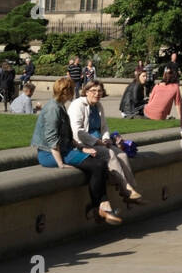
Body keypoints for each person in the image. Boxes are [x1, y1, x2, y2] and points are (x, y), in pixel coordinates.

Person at [31, 76, 121, 225]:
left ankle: (100, 207)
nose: (75, 91)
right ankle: (100, 207)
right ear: (67, 91)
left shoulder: (59, 105)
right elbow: (52, 139)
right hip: (50, 155)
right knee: (98, 165)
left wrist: (82, 148)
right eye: (72, 89)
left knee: (98, 163)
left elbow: (67, 136)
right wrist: (61, 163)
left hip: (65, 150)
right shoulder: (53, 108)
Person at [69, 82, 143, 205]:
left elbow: (104, 127)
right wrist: (97, 142)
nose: (97, 93)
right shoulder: (77, 105)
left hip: (100, 143)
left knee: (123, 155)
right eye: (93, 90)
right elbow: (77, 132)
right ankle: (126, 189)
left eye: (99, 91)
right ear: (86, 91)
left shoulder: (98, 106)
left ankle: (132, 190)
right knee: (110, 154)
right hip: (84, 144)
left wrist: (106, 138)